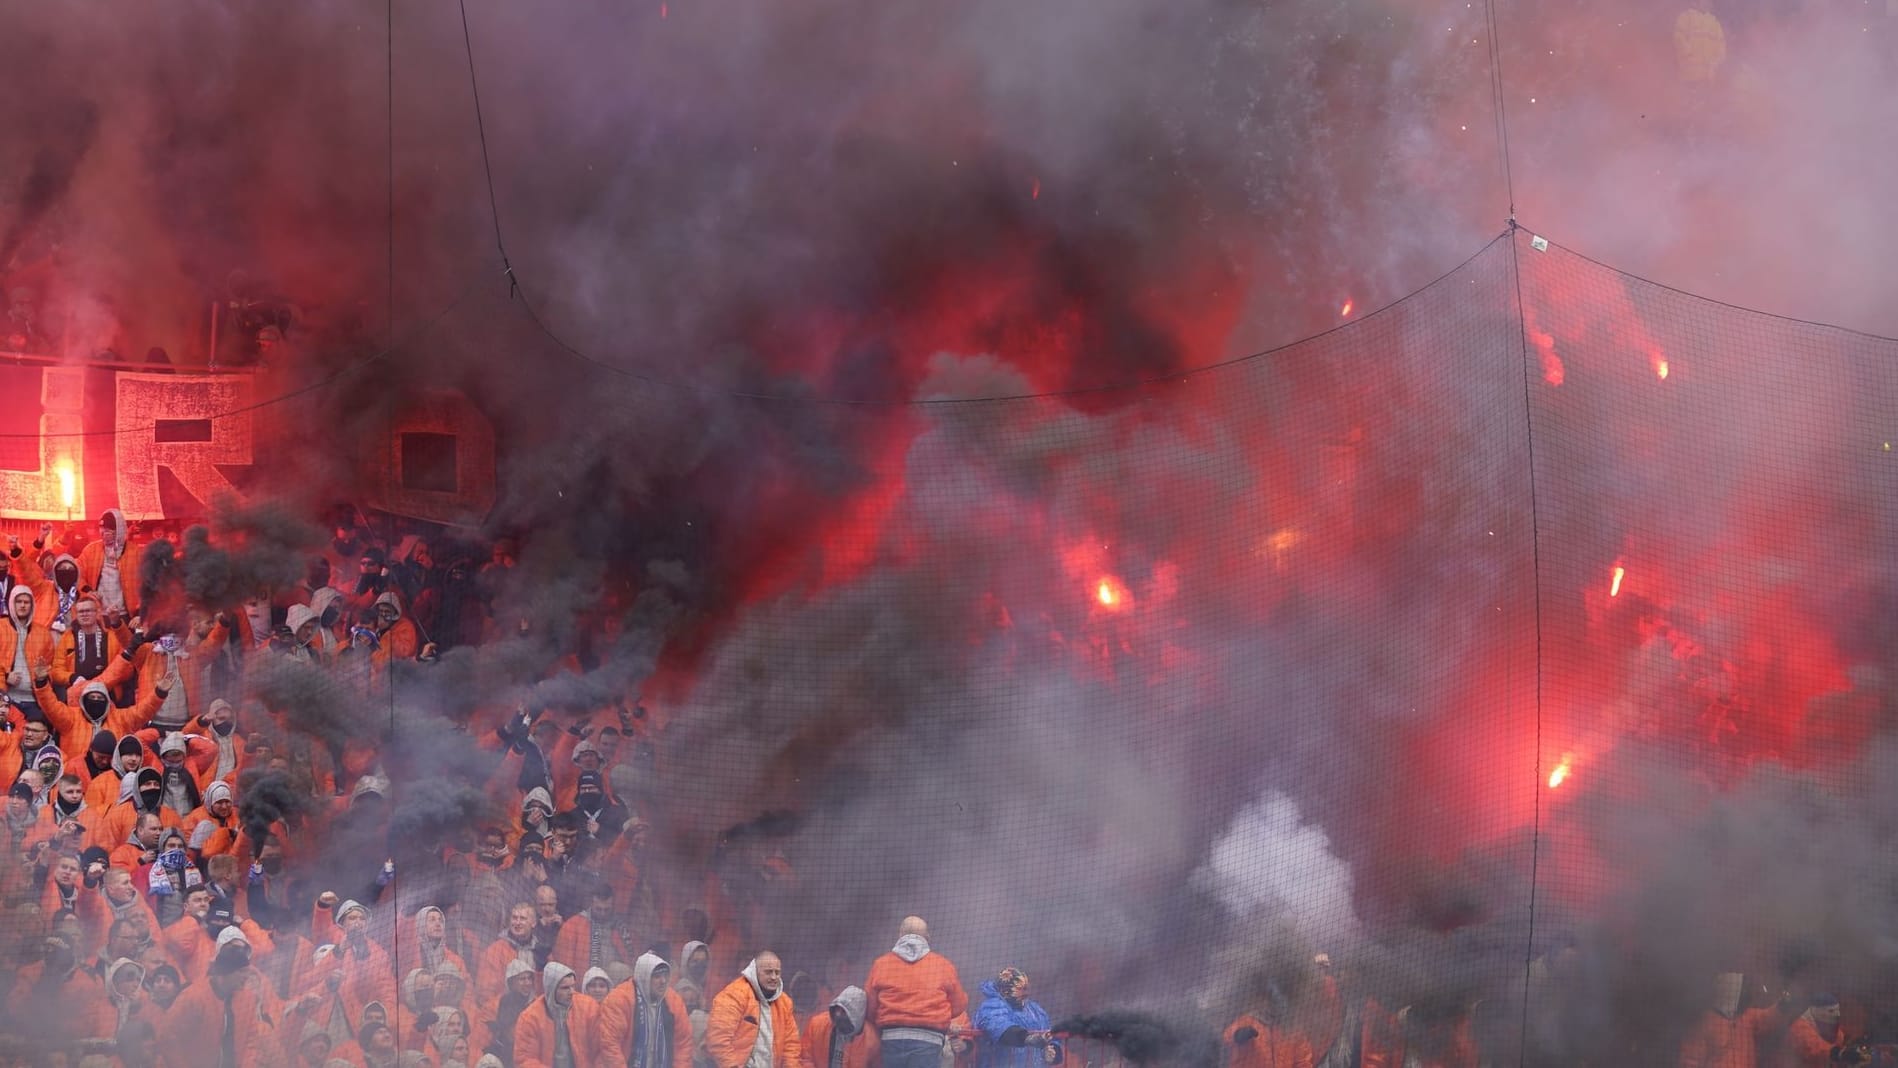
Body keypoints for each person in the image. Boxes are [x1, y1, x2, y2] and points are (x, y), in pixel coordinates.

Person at [865, 918, 968, 1068]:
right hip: (929, 1042)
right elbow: (959, 1005)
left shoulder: (881, 964)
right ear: (927, 938)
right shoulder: (943, 965)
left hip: (891, 1040)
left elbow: (870, 1006)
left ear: (900, 935)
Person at [602, 951, 696, 1068]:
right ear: (644, 977)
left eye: (665, 976)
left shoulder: (674, 1001)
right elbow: (610, 1044)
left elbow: (683, 1044)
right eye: (657, 976)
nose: (663, 981)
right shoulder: (619, 1000)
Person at [708, 952, 802, 1068]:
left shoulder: (785, 1002)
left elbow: (791, 1046)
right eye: (768, 972)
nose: (773, 977)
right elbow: (718, 1040)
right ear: (755, 972)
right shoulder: (733, 995)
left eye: (777, 972)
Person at [1679, 974, 1789, 1068]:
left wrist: (1789, 1000)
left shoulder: (1747, 1017)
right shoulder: (1703, 1022)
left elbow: (1771, 1017)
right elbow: (1690, 1061)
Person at [516, 961, 604, 1068]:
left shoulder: (589, 1007)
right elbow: (525, 1059)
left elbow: (601, 1050)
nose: (571, 991)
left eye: (573, 986)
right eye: (565, 988)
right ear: (551, 989)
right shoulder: (530, 1017)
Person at [971, 970, 1061, 1068]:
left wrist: (1053, 1052)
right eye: (1021, 989)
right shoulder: (991, 1007)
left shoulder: (1035, 1010)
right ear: (1005, 990)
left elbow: (1050, 1035)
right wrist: (1027, 1038)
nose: (1026, 993)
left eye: (1027, 988)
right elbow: (999, 1027)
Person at [1225, 981, 1313, 1068]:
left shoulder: (1291, 1028)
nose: (1274, 1006)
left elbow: (1303, 1061)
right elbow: (1227, 1041)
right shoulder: (1246, 1022)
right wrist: (1238, 1036)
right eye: (1271, 1001)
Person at [801, 986, 878, 1068]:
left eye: (844, 1011)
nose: (838, 1014)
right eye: (837, 1009)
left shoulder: (871, 1039)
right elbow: (805, 1058)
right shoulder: (816, 1026)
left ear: (856, 1015)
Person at [1776, 994, 1861, 1067]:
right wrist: (1840, 1053)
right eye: (1826, 1024)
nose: (1830, 1027)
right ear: (1816, 1017)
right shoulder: (1799, 1028)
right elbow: (1814, 1047)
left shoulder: (1836, 1033)